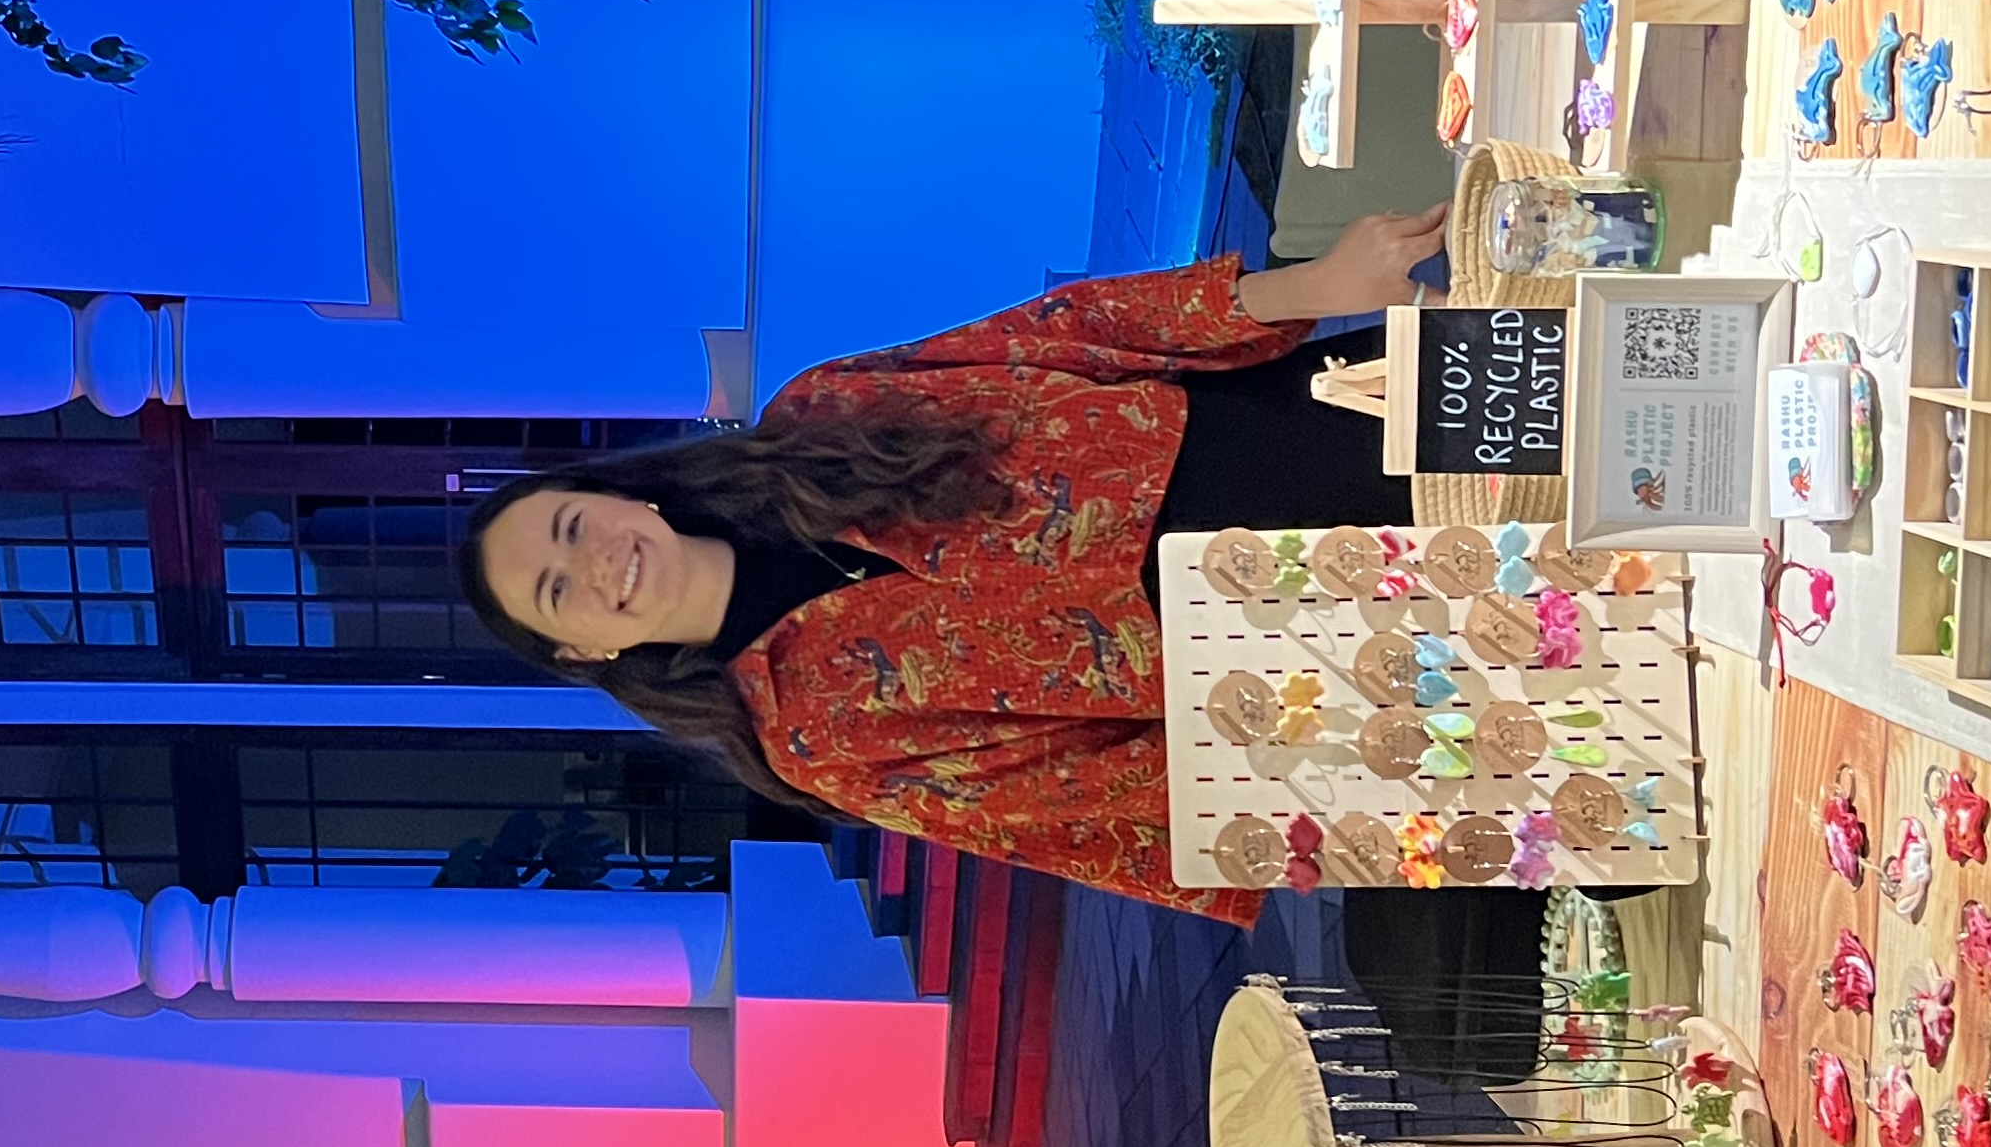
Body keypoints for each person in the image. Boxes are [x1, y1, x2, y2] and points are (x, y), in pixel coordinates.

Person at [455, 211, 1446, 923]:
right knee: (1587, 649)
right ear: (581, 650)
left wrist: (1314, 287)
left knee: (1588, 415)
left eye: (574, 526)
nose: (594, 565)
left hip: (1266, 438)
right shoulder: (813, 741)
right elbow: (1078, 791)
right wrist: (1366, 775)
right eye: (557, 590)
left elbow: (1061, 336)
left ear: (621, 496)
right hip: (1273, 666)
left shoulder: (817, 415)